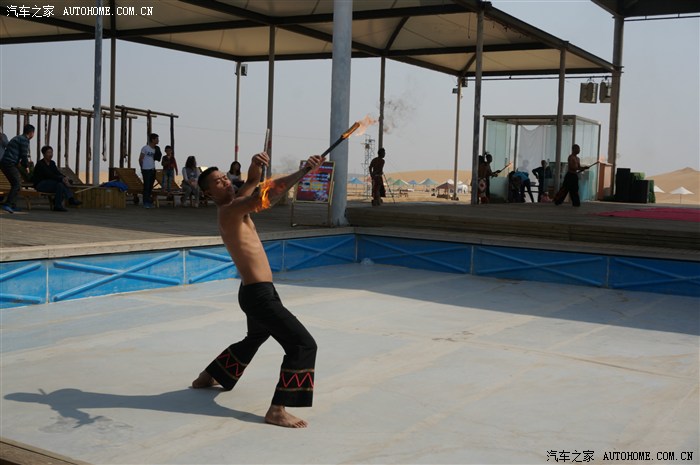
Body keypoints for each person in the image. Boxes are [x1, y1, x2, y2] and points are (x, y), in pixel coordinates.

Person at [192, 151, 324, 428]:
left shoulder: (234, 202)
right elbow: (266, 196)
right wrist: (303, 172)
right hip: (258, 296)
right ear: (208, 194)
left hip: (256, 292)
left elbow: (253, 182)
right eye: (217, 182)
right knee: (303, 344)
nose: (225, 182)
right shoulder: (230, 210)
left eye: (225, 177)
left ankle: (209, 376)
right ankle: (277, 409)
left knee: (256, 335)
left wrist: (255, 167)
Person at [32, 145, 82, 211]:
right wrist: (62, 179)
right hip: (40, 184)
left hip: (51, 184)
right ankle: (70, 199)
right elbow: (49, 175)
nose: (50, 154)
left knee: (60, 185)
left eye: (51, 152)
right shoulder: (40, 164)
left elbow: (57, 173)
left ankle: (58, 205)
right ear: (44, 154)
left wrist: (65, 178)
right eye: (48, 152)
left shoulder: (52, 163)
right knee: (60, 183)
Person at [1, 124, 34, 214]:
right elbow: (24, 155)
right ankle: (7, 204)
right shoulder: (24, 140)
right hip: (9, 163)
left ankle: (12, 205)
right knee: (17, 183)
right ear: (31, 133)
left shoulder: (18, 138)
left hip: (6, 163)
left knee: (16, 184)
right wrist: (26, 166)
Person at [139, 133, 159, 208]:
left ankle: (149, 201)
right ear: (153, 140)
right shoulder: (145, 148)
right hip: (146, 169)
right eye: (156, 139)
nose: (158, 140)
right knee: (146, 186)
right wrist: (142, 168)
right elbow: (140, 159)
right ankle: (145, 202)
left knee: (150, 186)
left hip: (152, 169)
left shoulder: (156, 149)